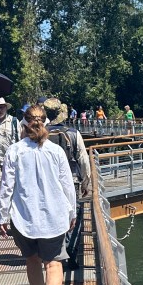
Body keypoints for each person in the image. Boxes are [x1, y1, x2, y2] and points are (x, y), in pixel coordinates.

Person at [0, 104, 76, 285]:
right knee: (53, 263)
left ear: (23, 122)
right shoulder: (56, 151)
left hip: (24, 218)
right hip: (54, 216)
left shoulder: (15, 151)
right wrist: (72, 212)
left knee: (32, 260)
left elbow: (6, 187)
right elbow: (67, 185)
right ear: (46, 122)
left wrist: (1, 216)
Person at [43, 97, 93, 268]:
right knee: (73, 216)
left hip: (48, 183)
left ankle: (54, 254)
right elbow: (83, 160)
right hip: (71, 181)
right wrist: (86, 183)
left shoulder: (40, 134)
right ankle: (71, 256)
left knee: (51, 216)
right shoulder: (73, 133)